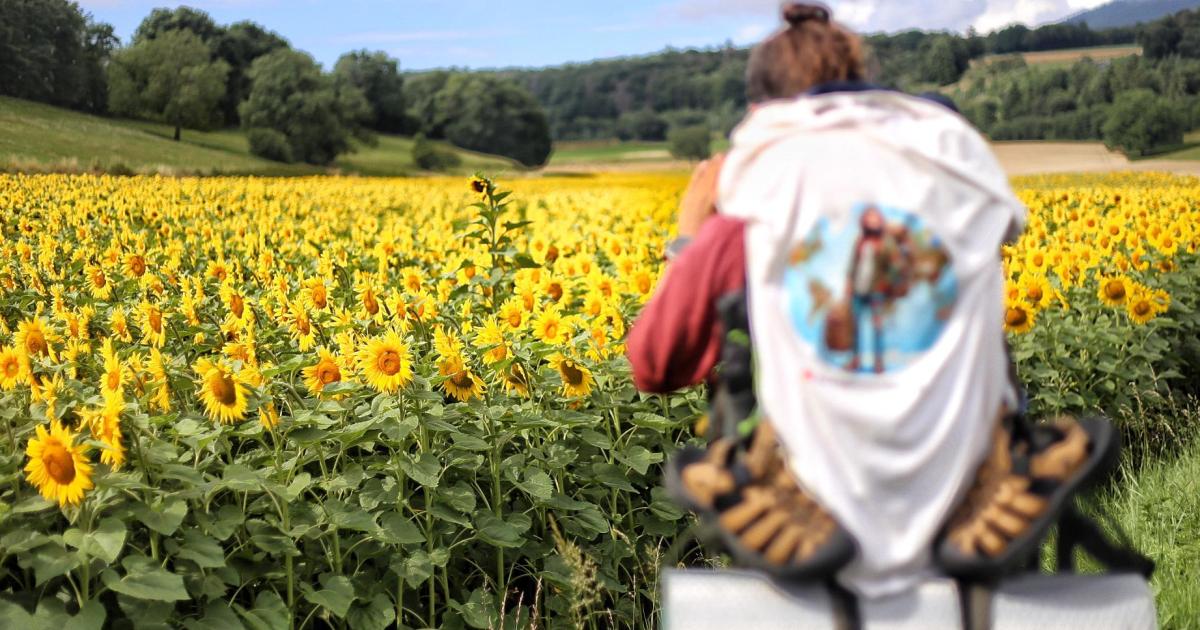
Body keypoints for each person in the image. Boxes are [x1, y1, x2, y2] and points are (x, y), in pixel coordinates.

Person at [627, 2, 1116, 602]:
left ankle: (778, 482)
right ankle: (996, 469)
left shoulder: (747, 215)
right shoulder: (953, 172)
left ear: (762, 116)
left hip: (810, 529)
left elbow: (654, 366)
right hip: (973, 519)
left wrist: (690, 238)